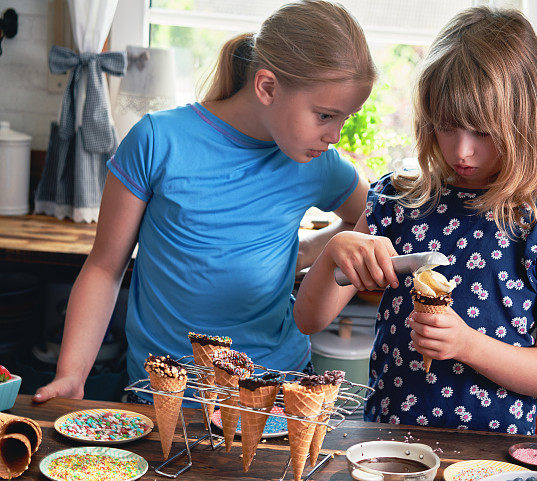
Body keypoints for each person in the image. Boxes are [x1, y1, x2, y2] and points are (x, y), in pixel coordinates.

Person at [34, 0, 376, 404]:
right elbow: (105, 268)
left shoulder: (319, 163)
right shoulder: (157, 140)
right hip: (165, 392)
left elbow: (376, 218)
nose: (335, 135)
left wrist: (312, 250)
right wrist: (73, 375)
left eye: (345, 119)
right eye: (324, 116)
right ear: (267, 86)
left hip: (278, 391)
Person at [293, 6, 537, 434]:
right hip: (389, 442)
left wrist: (466, 345)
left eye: (483, 132)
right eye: (446, 127)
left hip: (492, 464)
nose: (461, 152)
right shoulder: (400, 200)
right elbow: (309, 320)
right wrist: (332, 254)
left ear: (524, 123)